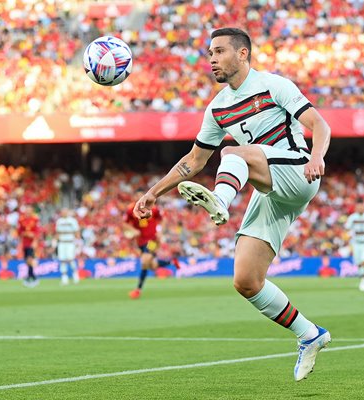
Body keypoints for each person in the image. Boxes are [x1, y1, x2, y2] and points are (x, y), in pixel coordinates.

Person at [133, 28, 332, 381]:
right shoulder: (218, 107)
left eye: (220, 51)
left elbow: (319, 124)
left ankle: (221, 200)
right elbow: (194, 161)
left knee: (232, 153)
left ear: (243, 54)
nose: (211, 59)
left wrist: (317, 157)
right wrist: (154, 192)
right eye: (210, 52)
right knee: (246, 280)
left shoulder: (273, 85)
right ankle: (310, 334)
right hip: (267, 186)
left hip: (299, 172)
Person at [125, 191, 179, 299]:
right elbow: (124, 223)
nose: (139, 198)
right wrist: (133, 230)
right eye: (137, 196)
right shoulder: (131, 210)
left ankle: (138, 290)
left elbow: (162, 220)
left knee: (145, 262)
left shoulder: (153, 209)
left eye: (141, 196)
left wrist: (160, 232)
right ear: (135, 197)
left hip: (152, 240)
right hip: (140, 241)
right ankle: (171, 261)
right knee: (152, 266)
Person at [55, 208, 80, 285]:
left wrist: (78, 242)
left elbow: (77, 232)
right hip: (62, 242)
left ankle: (75, 274)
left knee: (70, 259)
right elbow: (57, 233)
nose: (64, 213)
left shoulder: (72, 221)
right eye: (62, 212)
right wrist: (55, 242)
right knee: (62, 260)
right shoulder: (59, 221)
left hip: (70, 242)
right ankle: (64, 278)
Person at [17, 205, 40, 287]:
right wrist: (25, 234)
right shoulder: (21, 220)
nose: (28, 211)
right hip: (25, 242)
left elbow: (37, 231)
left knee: (30, 258)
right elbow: (19, 231)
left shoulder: (35, 219)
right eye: (27, 210)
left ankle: (31, 276)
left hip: (31, 242)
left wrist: (35, 240)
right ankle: (32, 276)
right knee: (27, 260)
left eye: (29, 210)